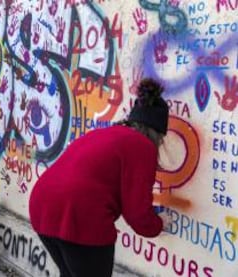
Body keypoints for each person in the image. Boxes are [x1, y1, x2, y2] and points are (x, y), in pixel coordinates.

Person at [29, 78, 170, 277]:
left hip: (42, 207)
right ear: (157, 133)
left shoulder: (105, 133)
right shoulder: (142, 147)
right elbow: (137, 214)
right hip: (78, 217)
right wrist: (158, 224)